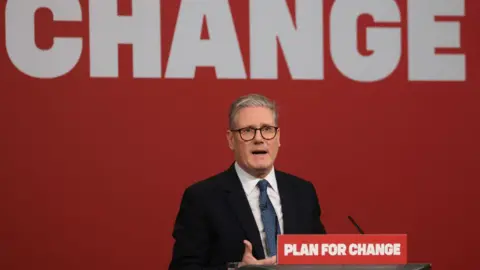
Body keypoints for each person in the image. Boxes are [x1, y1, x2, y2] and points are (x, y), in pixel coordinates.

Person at [169, 94, 327, 270]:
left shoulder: (303, 192)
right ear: (231, 140)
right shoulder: (202, 198)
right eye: (247, 131)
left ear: (278, 137)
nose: (259, 138)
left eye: (267, 129)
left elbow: (320, 259)